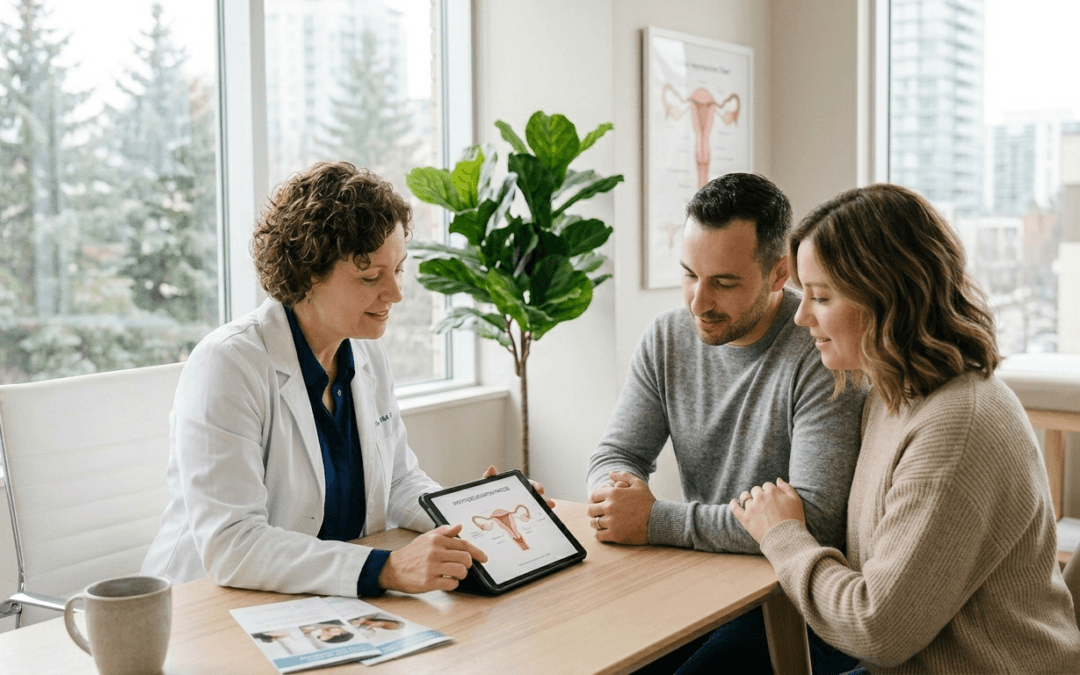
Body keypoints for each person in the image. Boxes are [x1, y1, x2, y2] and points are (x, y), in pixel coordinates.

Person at [142, 161, 549, 598]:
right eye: (371, 276)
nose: (394, 294)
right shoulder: (228, 364)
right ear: (309, 272)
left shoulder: (364, 353)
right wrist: (387, 568)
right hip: (205, 609)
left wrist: (475, 512)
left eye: (398, 270)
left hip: (320, 607)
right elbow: (232, 544)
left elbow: (398, 483)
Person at [732, 183, 1080, 674]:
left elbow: (877, 630)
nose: (801, 316)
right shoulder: (892, 395)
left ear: (886, 297)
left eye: (821, 297)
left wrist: (784, 535)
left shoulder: (957, 426)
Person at [585, 173, 865, 673]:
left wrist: (653, 520)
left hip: (796, 601)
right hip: (701, 581)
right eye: (690, 274)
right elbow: (617, 454)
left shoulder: (821, 349)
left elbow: (814, 521)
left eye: (724, 282)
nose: (698, 302)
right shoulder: (668, 336)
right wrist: (614, 497)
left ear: (779, 274)